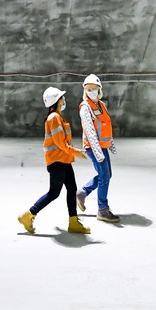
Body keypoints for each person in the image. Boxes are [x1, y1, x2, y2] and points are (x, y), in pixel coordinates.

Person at [18, 87, 92, 235]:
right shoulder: (54, 118)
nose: (64, 100)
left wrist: (73, 153)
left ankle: (73, 222)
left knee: (72, 189)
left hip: (63, 160)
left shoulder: (57, 117)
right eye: (62, 97)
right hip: (57, 162)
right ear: (57, 101)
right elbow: (60, 143)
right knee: (54, 193)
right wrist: (76, 152)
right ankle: (28, 215)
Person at [76, 73, 120, 223]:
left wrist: (111, 145)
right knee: (104, 176)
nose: (91, 91)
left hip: (102, 146)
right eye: (88, 88)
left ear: (99, 89)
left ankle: (83, 192)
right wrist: (98, 152)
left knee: (106, 175)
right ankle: (102, 209)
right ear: (85, 91)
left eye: (94, 88)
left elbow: (105, 126)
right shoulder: (85, 108)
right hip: (93, 147)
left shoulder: (101, 105)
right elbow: (90, 131)